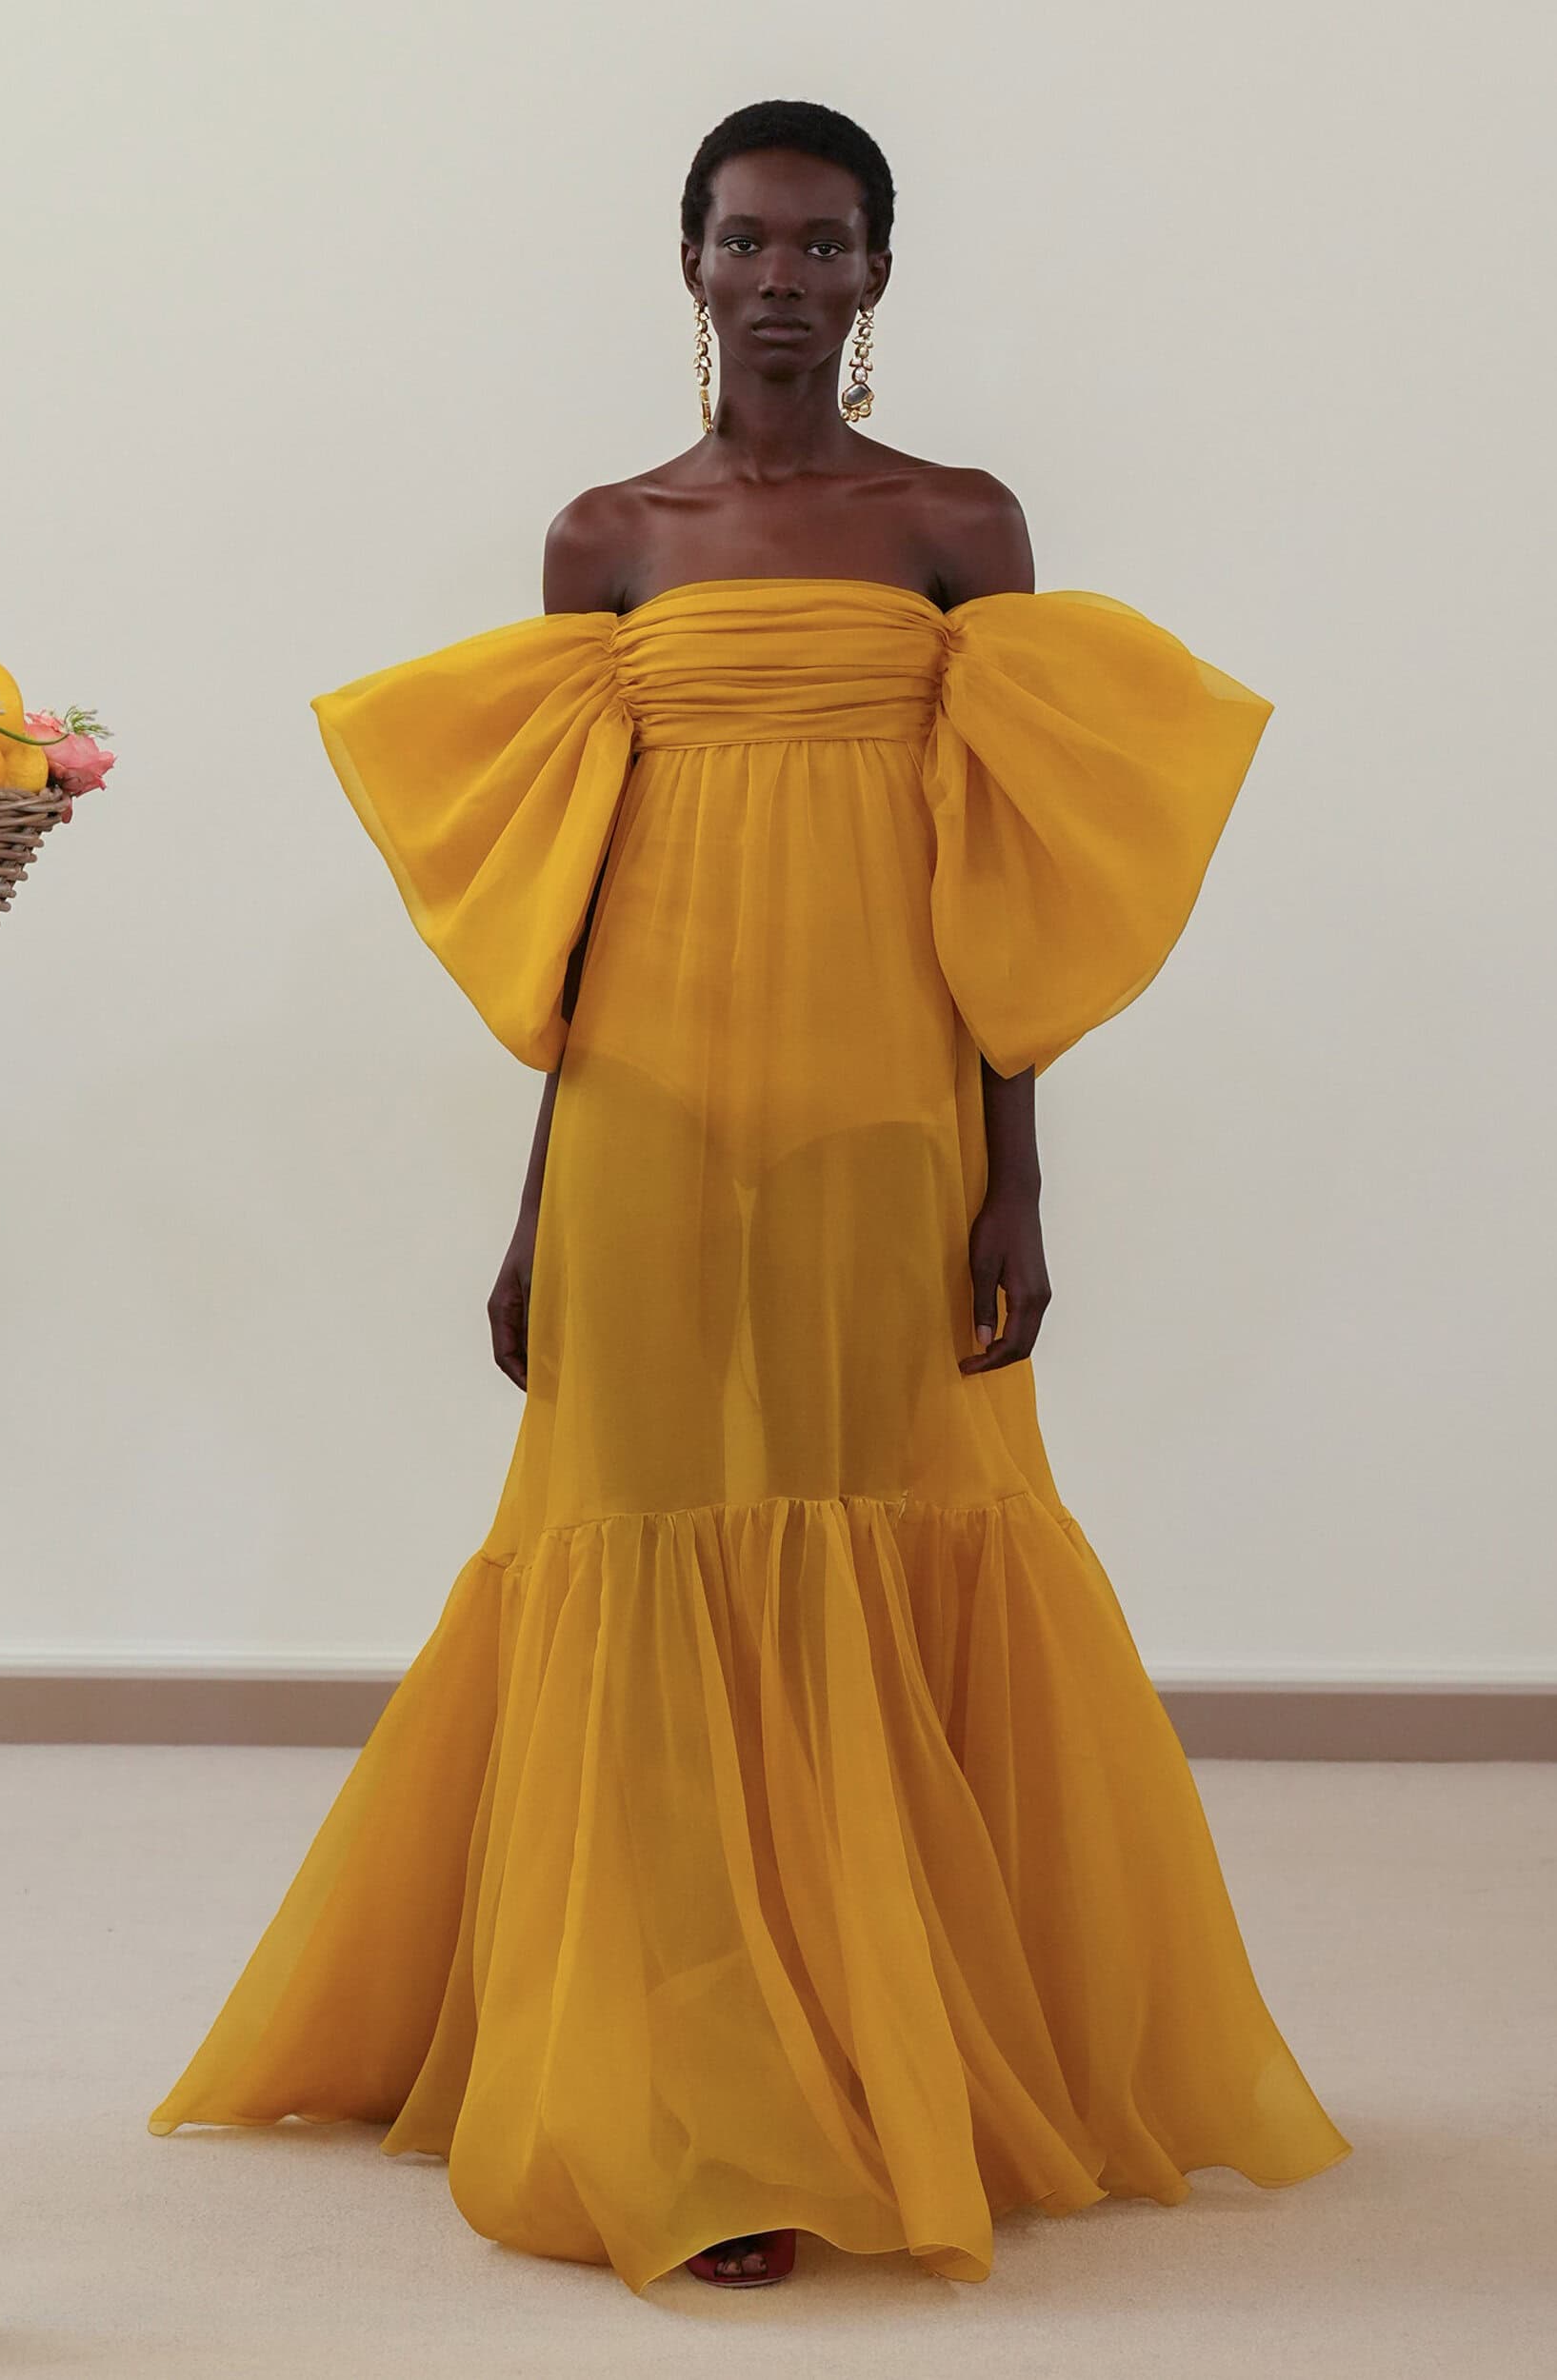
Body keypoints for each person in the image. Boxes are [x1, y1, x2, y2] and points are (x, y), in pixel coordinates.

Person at [148, 97, 1352, 2295]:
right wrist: (539, 1201)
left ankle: (891, 2050)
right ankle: (702, 2097)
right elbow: (574, 907)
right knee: (647, 1543)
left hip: (887, 1110)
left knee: (883, 1524)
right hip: (647, 1112)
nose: (781, 278)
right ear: (688, 263)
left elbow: (1008, 876)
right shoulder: (604, 538)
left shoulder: (959, 524)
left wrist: (1016, 1174)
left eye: (822, 242)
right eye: (745, 239)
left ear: (878, 273)